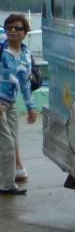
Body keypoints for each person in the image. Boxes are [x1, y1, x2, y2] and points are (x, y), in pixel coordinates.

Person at [1, 13, 38, 195]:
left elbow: (25, 84)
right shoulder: (1, 49)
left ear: (25, 32)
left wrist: (31, 108)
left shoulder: (25, 55)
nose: (13, 31)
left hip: (11, 103)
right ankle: (7, 185)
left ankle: (8, 178)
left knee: (13, 142)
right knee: (7, 145)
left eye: (17, 28)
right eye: (9, 28)